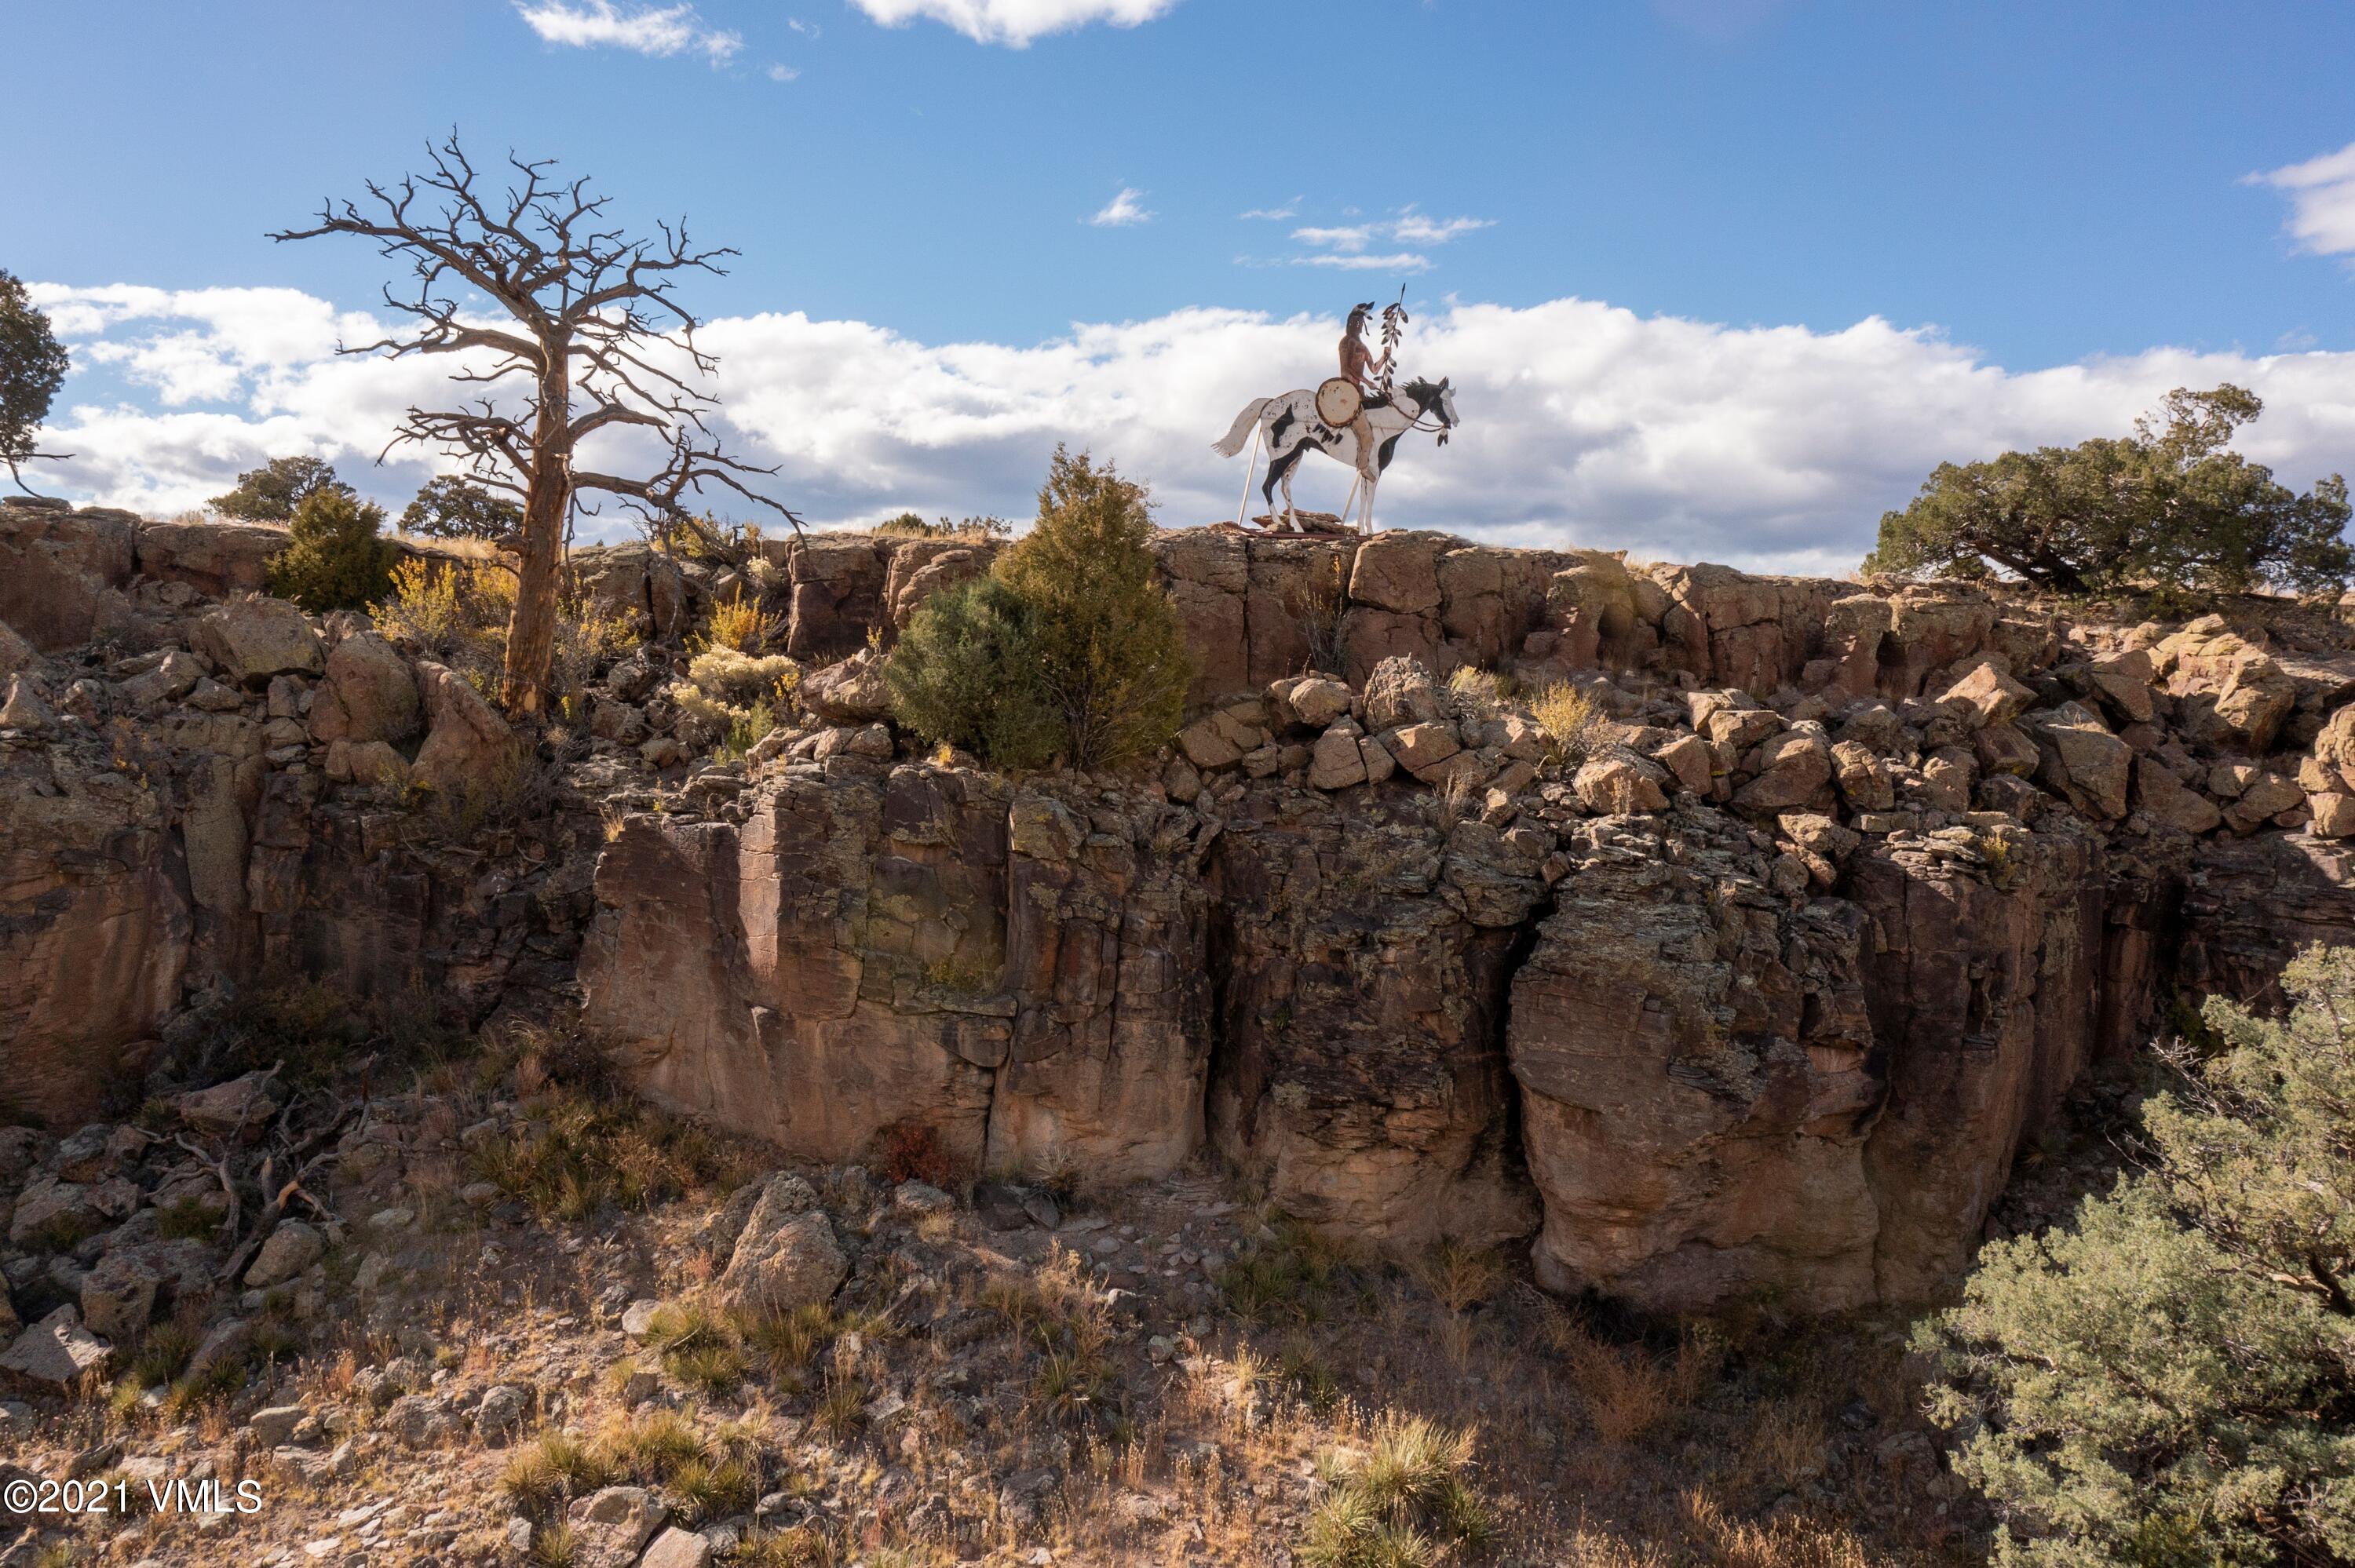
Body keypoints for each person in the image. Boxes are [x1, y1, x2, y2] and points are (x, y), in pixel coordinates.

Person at [1336, 302, 1390, 480]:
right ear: (1350, 324)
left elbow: (1374, 369)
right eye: (1356, 323)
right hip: (1346, 388)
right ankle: (1363, 465)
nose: (1358, 326)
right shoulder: (1347, 343)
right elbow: (1346, 369)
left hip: (1358, 391)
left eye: (1361, 323)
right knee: (1365, 431)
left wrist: (1385, 356)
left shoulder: (1364, 348)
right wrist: (1366, 381)